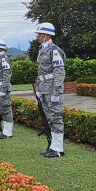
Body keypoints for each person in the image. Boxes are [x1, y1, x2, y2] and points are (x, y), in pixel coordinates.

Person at [34, 22, 66, 158]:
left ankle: (59, 148)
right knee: (49, 117)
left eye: (40, 34)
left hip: (52, 89)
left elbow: (59, 71)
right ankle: (53, 146)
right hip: (44, 88)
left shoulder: (54, 50)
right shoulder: (43, 50)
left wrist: (57, 91)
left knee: (55, 117)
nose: (38, 37)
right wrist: (39, 89)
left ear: (47, 35)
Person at [0, 40, 13, 139]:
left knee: (7, 110)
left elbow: (6, 74)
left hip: (2, 87)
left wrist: (4, 89)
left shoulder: (3, 58)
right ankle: (6, 130)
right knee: (3, 109)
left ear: (0, 48)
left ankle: (8, 132)